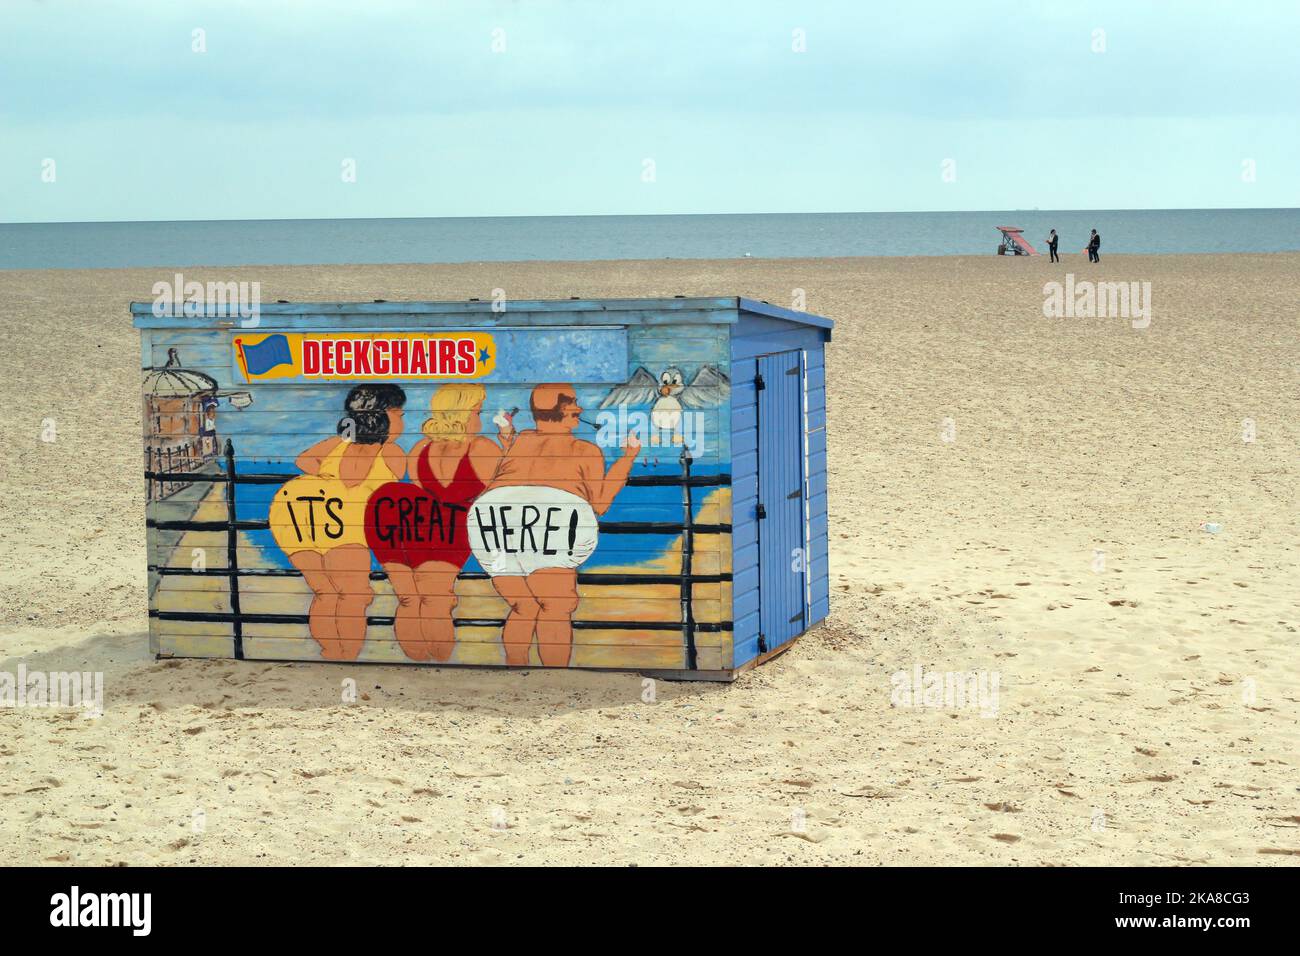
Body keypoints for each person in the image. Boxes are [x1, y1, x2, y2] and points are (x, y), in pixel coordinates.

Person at [467, 384, 640, 667]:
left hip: (492, 521)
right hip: (553, 517)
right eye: (573, 403)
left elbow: (525, 463)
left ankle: (515, 669)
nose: (580, 409)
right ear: (560, 410)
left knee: (524, 607)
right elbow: (600, 504)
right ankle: (554, 674)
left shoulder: (521, 439)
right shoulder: (585, 450)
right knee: (556, 607)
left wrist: (506, 436)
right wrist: (628, 457)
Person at [363, 384, 513, 662]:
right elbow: (500, 490)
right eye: (477, 412)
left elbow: (421, 493)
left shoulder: (420, 449)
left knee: (410, 599)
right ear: (464, 413)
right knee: (437, 600)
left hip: (418, 528)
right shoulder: (484, 448)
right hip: (453, 532)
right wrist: (508, 445)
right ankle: (440, 660)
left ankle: (416, 660)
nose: (479, 419)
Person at [269, 384, 407, 661]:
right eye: (399, 414)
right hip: (346, 528)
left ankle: (330, 651)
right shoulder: (391, 453)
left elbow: (303, 460)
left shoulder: (336, 446)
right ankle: (347, 654)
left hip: (301, 521)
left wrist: (327, 480)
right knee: (354, 596)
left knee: (325, 593)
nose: (403, 421)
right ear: (383, 416)